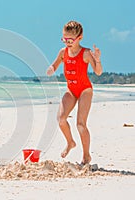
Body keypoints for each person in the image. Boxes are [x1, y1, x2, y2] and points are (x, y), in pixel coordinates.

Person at [46, 21, 103, 164]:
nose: (67, 43)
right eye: (64, 39)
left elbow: (98, 72)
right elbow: (55, 64)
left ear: (80, 38)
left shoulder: (86, 53)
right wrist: (51, 69)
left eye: (70, 40)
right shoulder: (63, 52)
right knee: (61, 119)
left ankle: (86, 155)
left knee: (81, 125)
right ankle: (70, 142)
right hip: (71, 90)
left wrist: (97, 60)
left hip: (85, 90)